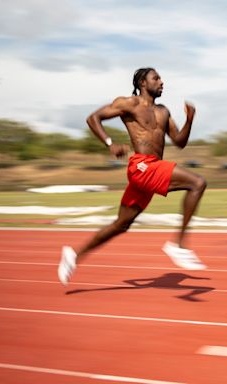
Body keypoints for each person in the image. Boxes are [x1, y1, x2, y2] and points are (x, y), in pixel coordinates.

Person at [58, 67, 207, 286]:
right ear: (143, 83)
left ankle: (74, 256)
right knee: (198, 183)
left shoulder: (164, 111)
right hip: (141, 166)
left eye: (161, 78)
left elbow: (179, 142)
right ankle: (179, 245)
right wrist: (110, 143)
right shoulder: (129, 103)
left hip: (151, 170)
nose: (162, 82)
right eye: (156, 78)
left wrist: (190, 120)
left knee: (121, 224)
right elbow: (93, 118)